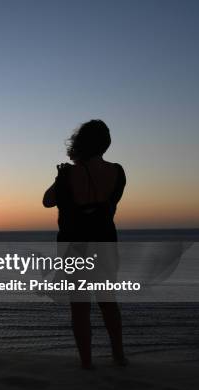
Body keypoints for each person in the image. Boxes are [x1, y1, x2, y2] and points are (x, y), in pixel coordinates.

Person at [43, 120, 127, 369]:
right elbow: (110, 203)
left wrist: (63, 177)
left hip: (75, 248)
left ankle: (87, 364)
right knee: (108, 303)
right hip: (105, 244)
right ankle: (119, 357)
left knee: (80, 309)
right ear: (105, 144)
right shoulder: (118, 171)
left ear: (80, 143)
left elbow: (47, 201)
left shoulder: (68, 173)